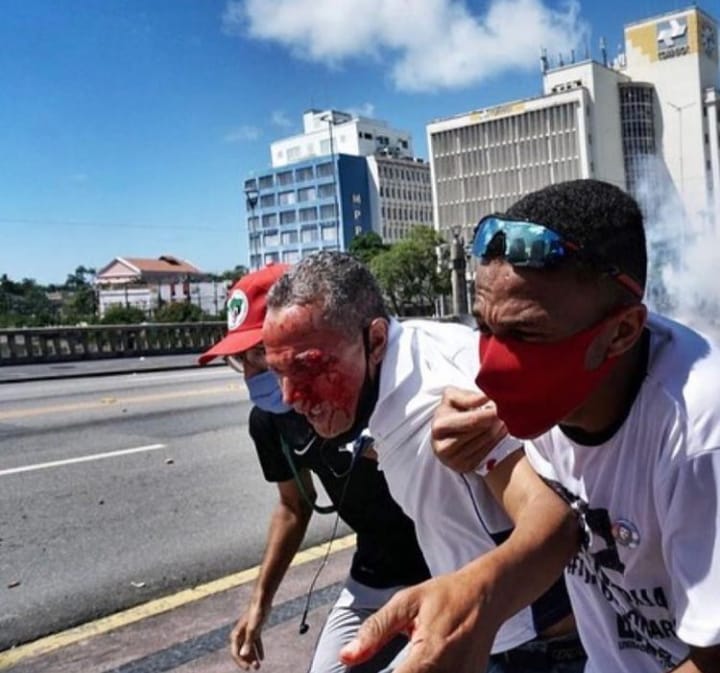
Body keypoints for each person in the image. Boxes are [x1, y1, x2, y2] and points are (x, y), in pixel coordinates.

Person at [343, 179, 720, 672]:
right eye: (484, 328)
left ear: (622, 331)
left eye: (525, 334)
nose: (490, 367)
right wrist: (476, 600)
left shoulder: (698, 440)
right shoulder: (548, 396)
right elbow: (563, 526)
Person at [262, 250, 586, 673]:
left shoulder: (445, 398)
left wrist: (471, 609)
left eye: (310, 369)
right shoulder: (396, 364)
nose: (290, 397)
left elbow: (553, 522)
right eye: (277, 372)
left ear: (375, 340)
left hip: (536, 649)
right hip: (498, 634)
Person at [198, 263, 431, 673]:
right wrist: (259, 604)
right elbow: (292, 507)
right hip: (374, 574)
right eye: (243, 361)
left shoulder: (378, 390)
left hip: (443, 564)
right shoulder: (271, 421)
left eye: (260, 356)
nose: (257, 376)